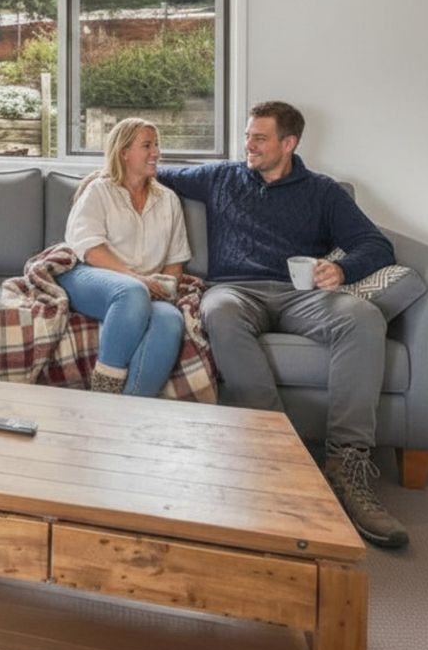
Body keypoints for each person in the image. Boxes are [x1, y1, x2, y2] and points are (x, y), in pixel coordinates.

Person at [156, 100, 408, 548]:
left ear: (288, 143)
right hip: (236, 290)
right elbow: (155, 173)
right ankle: (277, 452)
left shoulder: (323, 192)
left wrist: (342, 270)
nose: (248, 145)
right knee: (218, 310)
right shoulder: (221, 177)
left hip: (299, 295)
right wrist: (110, 173)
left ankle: (346, 463)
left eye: (259, 138)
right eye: (247, 136)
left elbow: (375, 245)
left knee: (363, 318)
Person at [61, 117, 191, 397]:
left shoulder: (168, 200)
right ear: (124, 152)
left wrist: (165, 287)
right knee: (131, 291)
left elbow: (175, 260)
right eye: (147, 145)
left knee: (170, 320)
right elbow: (90, 249)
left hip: (145, 287)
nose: (156, 152)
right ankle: (104, 393)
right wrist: (137, 280)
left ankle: (127, 409)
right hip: (91, 275)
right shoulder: (99, 190)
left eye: (157, 145)